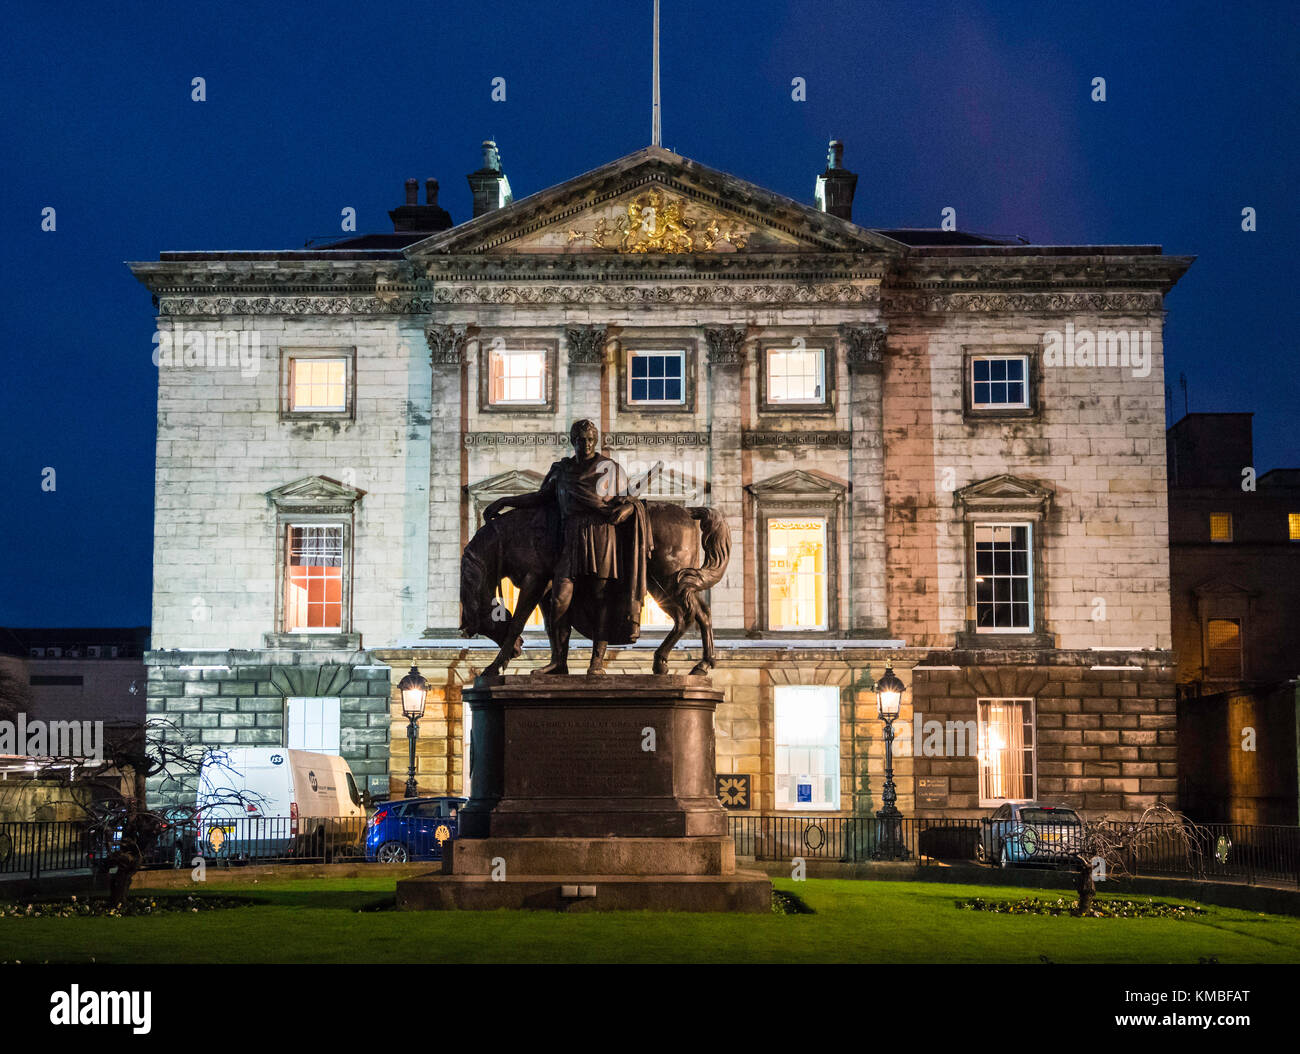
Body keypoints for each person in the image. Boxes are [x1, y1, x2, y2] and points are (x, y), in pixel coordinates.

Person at [483, 419, 650, 675]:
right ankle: (559, 661)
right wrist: (506, 500)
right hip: (571, 537)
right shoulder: (562, 470)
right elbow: (540, 498)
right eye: (581, 440)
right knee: (559, 599)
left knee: (601, 599)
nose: (586, 444)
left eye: (591, 440)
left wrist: (627, 510)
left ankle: (597, 662)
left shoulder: (610, 469)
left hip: (601, 536)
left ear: (596, 440)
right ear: (573, 441)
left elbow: (628, 501)